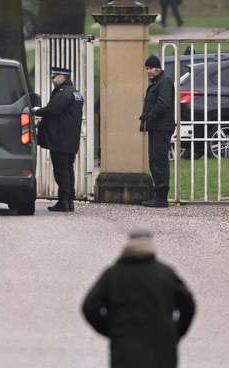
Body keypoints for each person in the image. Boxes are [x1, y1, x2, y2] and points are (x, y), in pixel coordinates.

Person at [82, 229, 196, 368]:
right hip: (162, 347)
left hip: (125, 348)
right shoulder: (165, 273)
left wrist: (112, 330)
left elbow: (90, 306)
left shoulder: (113, 274)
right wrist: (175, 332)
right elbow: (188, 305)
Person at [35, 66, 84, 212]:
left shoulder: (63, 93)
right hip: (70, 138)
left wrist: (37, 111)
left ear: (62, 77)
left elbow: (53, 110)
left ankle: (64, 201)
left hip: (60, 138)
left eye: (54, 77)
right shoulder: (76, 93)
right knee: (68, 169)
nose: (52, 79)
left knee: (61, 171)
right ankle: (69, 201)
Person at [140, 54, 175, 208]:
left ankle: (161, 197)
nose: (147, 71)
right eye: (146, 68)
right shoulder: (158, 82)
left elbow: (163, 103)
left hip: (161, 127)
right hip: (157, 127)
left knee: (159, 160)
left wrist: (150, 116)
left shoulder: (164, 81)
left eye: (149, 68)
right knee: (155, 160)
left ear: (156, 68)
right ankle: (158, 195)